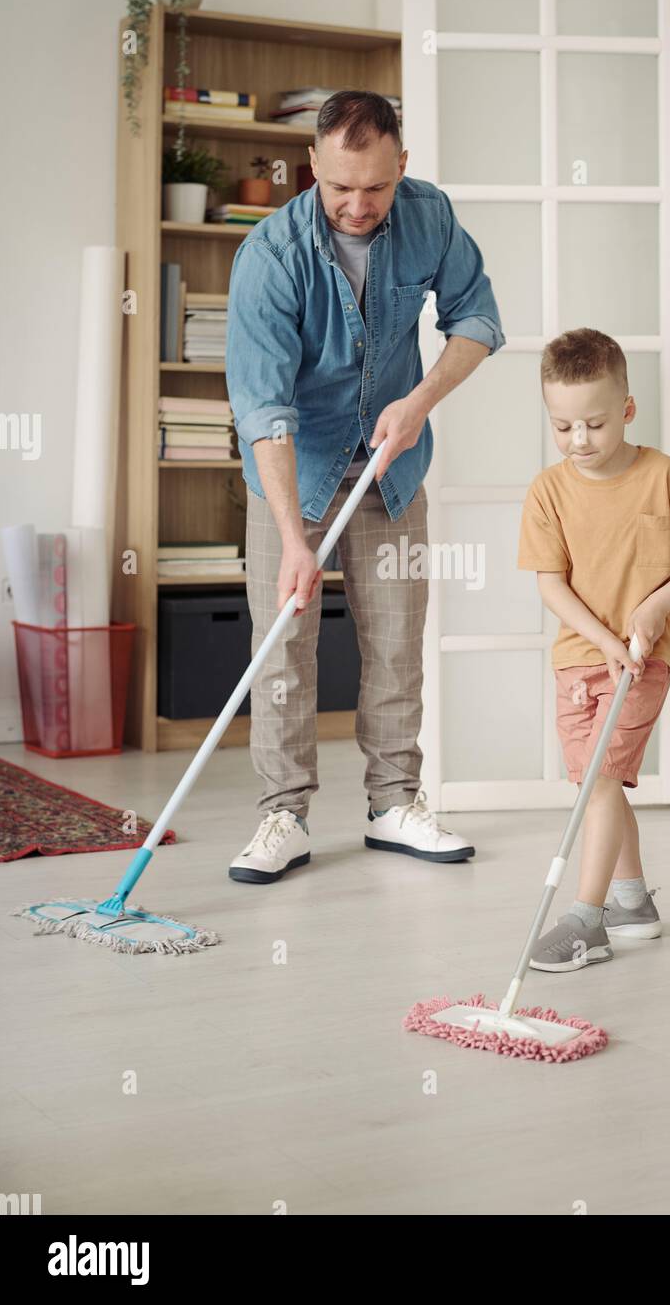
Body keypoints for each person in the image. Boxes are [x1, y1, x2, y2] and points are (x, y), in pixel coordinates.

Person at [225, 90, 505, 882]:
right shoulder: (270, 257)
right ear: (311, 165)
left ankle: (394, 805)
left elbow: (477, 320)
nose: (357, 204)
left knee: (394, 645)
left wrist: (418, 404)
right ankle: (284, 816)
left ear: (401, 168)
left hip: (391, 468)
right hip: (296, 471)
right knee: (283, 648)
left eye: (375, 188)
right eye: (340, 186)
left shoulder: (428, 216)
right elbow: (264, 410)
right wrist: (290, 540)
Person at [517, 328, 670, 971]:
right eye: (563, 426)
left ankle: (587, 920)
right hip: (580, 658)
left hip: (646, 657)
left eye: (595, 424)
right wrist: (605, 638)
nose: (579, 440)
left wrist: (653, 608)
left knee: (601, 781)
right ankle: (632, 902)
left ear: (627, 411)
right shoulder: (548, 491)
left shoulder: (663, 476)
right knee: (595, 782)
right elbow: (550, 583)